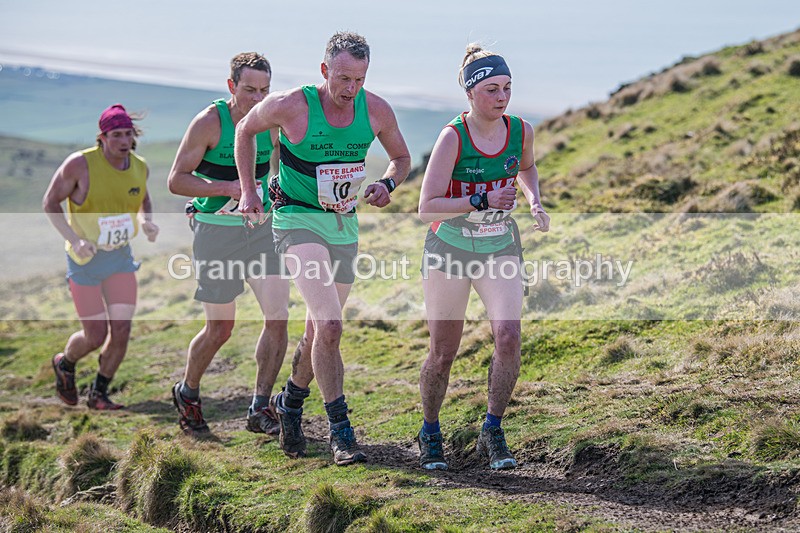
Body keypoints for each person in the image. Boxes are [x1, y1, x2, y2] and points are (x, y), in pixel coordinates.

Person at [235, 31, 410, 465]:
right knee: (330, 325)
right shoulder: (291, 105)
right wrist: (248, 193)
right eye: (344, 78)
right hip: (296, 219)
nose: (351, 89)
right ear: (324, 70)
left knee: (318, 332)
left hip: (343, 225)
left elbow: (401, 159)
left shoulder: (376, 110)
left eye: (360, 79)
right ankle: (341, 431)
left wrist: (386, 183)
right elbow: (244, 130)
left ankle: (290, 403)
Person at [416, 44, 550, 470]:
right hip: (450, 248)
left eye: (507, 87)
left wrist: (533, 200)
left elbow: (525, 167)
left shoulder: (520, 130)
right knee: (443, 351)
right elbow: (425, 207)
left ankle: (492, 429)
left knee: (508, 336)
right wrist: (481, 198)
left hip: (499, 246)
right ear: (471, 93)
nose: (502, 97)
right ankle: (430, 430)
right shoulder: (452, 137)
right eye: (492, 88)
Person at [167, 52, 290, 436]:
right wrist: (230, 188)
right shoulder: (208, 123)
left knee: (278, 317)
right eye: (250, 89)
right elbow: (176, 180)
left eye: (265, 90)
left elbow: (285, 167)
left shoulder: (270, 120)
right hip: (216, 232)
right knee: (220, 328)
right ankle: (188, 392)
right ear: (231, 86)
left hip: (261, 229)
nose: (258, 98)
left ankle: (259, 406)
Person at [43, 104, 159, 410]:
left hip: (119, 258)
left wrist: (146, 220)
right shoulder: (79, 165)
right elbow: (50, 203)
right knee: (95, 335)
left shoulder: (139, 165)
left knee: (121, 330)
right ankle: (65, 363)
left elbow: (144, 198)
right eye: (116, 134)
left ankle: (98, 393)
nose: (124, 140)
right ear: (102, 137)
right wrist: (75, 240)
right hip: (85, 262)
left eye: (128, 133)